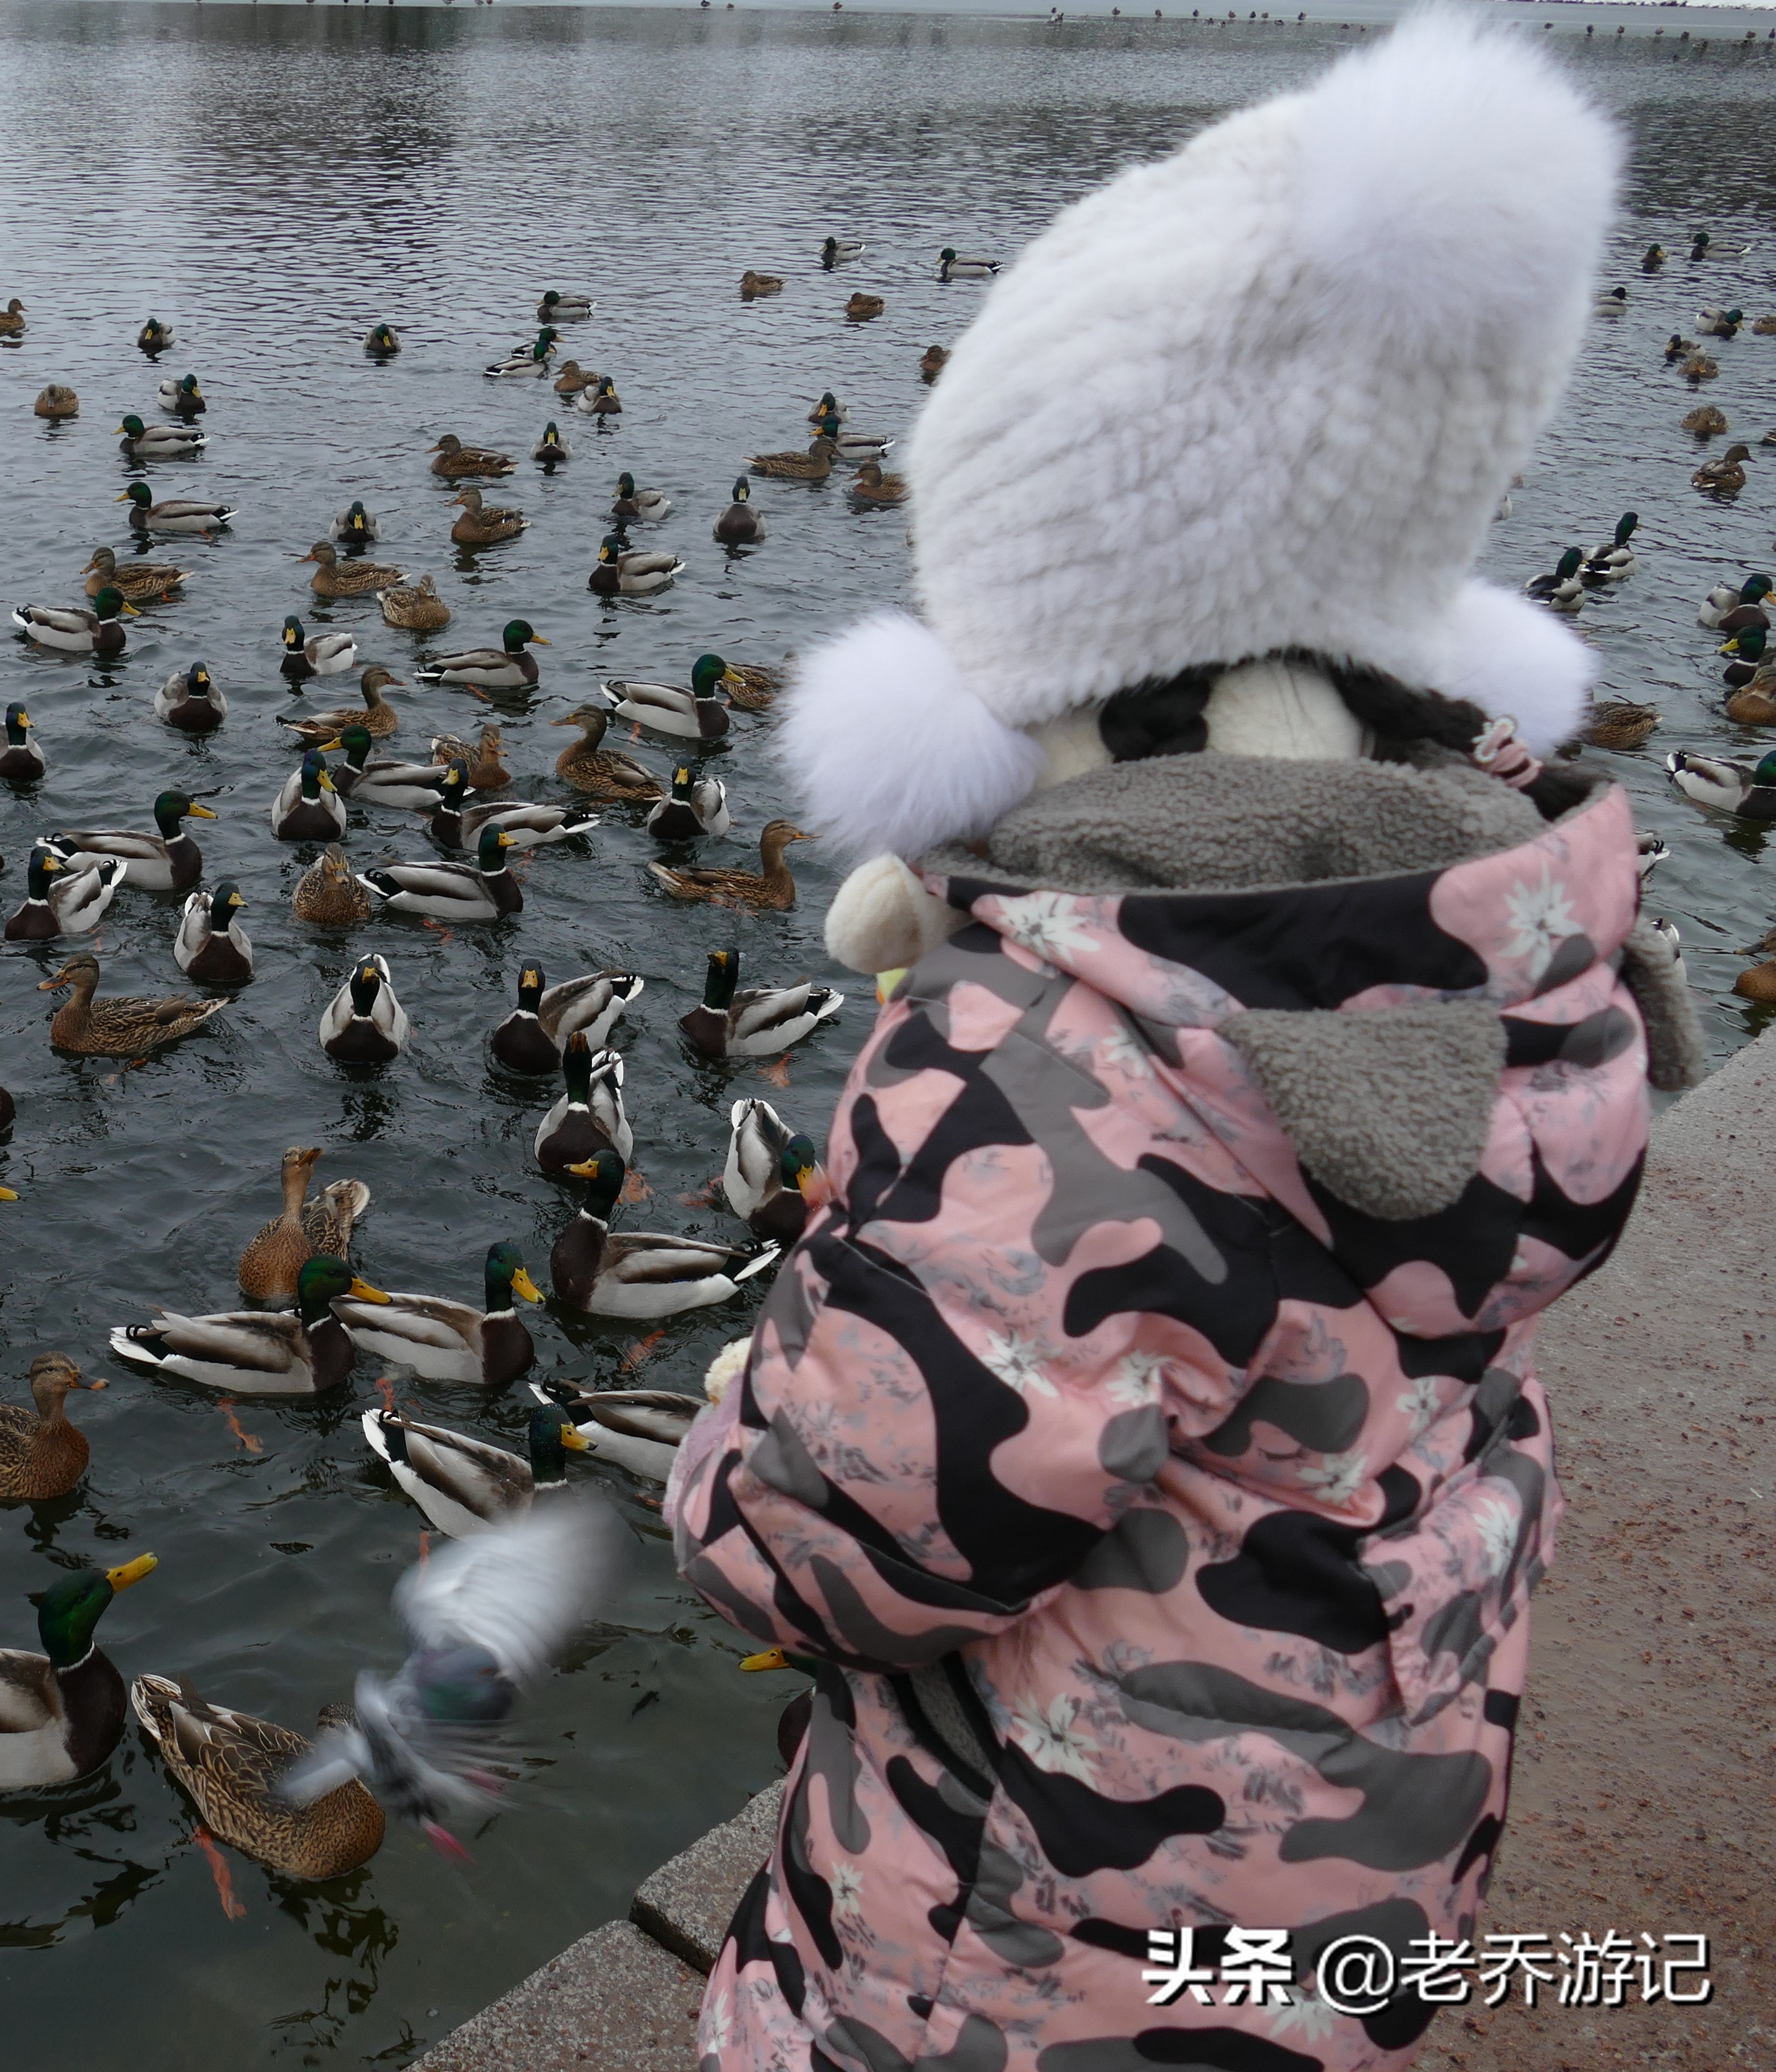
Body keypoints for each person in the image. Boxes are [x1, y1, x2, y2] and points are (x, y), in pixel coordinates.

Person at [664, 16, 1699, 2070]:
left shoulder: (1048, 1065)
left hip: (1018, 1960)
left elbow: (832, 1541)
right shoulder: (1525, 962)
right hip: (1352, 1876)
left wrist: (734, 1418)